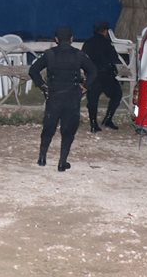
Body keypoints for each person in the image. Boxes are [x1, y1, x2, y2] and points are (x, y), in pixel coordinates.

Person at [28, 26, 96, 171]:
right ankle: (62, 162)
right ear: (71, 39)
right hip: (72, 96)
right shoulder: (79, 55)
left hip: (54, 96)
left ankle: (42, 158)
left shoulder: (50, 54)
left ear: (56, 40)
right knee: (68, 130)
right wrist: (84, 87)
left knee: (48, 128)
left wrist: (43, 86)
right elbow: (93, 71)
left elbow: (33, 70)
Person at [82, 21, 123, 132]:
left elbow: (83, 59)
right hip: (106, 75)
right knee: (117, 95)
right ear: (105, 31)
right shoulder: (106, 43)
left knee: (93, 100)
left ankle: (93, 124)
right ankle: (108, 119)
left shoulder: (88, 43)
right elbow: (114, 59)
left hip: (93, 75)